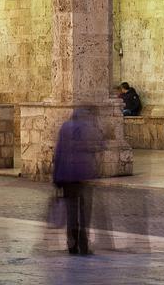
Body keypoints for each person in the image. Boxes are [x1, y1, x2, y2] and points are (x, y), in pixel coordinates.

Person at [52, 108, 96, 255]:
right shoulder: (88, 128)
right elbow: (97, 148)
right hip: (83, 175)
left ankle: (72, 243)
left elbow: (58, 152)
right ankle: (83, 244)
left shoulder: (65, 127)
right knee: (85, 212)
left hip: (67, 175)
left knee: (71, 210)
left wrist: (56, 176)